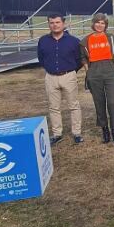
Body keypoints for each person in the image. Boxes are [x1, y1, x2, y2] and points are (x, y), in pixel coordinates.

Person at [37, 14, 83, 145]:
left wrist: (72, 71)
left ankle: (77, 133)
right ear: (48, 24)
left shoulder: (73, 41)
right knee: (53, 107)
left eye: (57, 22)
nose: (55, 25)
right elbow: (41, 58)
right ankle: (57, 133)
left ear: (63, 24)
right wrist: (49, 68)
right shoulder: (43, 40)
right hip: (51, 77)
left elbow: (79, 59)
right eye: (51, 22)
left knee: (73, 105)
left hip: (68, 76)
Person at [80, 13, 114, 144]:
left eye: (102, 23)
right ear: (93, 24)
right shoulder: (85, 40)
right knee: (99, 102)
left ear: (106, 25)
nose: (100, 25)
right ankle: (105, 129)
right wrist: (89, 73)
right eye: (97, 22)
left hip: (110, 72)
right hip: (94, 72)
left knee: (111, 102)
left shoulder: (111, 38)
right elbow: (83, 58)